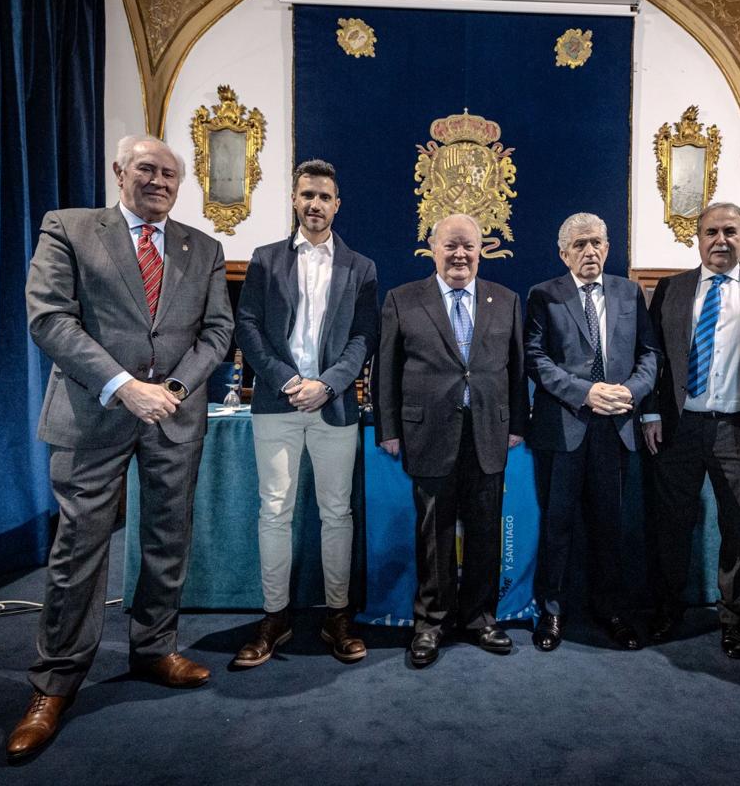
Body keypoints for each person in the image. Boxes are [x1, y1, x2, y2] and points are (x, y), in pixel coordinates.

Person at [10, 134, 233, 760]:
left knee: (167, 538)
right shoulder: (70, 228)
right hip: (93, 414)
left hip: (174, 417)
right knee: (78, 549)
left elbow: (218, 330)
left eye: (170, 173)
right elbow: (50, 318)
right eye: (147, 169)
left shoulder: (205, 247)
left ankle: (155, 648)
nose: (159, 181)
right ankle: (54, 683)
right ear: (119, 171)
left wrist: (178, 387)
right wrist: (125, 386)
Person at [232, 159, 378, 667]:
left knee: (337, 513)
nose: (315, 204)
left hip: (335, 406)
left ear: (337, 205)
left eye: (324, 197)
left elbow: (364, 338)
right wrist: (288, 380)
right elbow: (246, 325)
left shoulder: (360, 268)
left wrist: (328, 384)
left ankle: (338, 615)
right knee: (275, 511)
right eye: (307, 195)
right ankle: (275, 617)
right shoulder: (265, 258)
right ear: (294, 200)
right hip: (277, 403)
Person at [640, 202, 740, 658]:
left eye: (731, 231)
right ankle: (668, 610)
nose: (720, 240)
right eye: (711, 232)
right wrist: (650, 413)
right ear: (698, 238)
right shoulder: (671, 289)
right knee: (670, 525)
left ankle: (733, 620)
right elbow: (653, 359)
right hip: (678, 428)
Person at [372, 213, 528, 668]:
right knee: (434, 534)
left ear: (481, 250)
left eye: (469, 247)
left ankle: (481, 619)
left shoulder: (507, 300)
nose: (460, 255)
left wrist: (517, 421)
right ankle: (432, 623)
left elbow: (517, 370)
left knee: (485, 530)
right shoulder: (403, 300)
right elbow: (386, 370)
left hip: (488, 432)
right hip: (427, 433)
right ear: (432, 249)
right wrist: (389, 429)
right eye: (451, 246)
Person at [524, 212, 658, 651]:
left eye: (597, 242)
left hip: (615, 428)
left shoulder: (629, 292)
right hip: (564, 428)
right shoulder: (544, 295)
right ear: (564, 253)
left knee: (610, 526)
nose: (590, 251)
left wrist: (630, 393)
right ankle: (553, 611)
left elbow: (649, 355)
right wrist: (586, 392)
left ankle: (611, 610)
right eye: (580, 245)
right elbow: (536, 359)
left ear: (608, 246)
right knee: (558, 524)